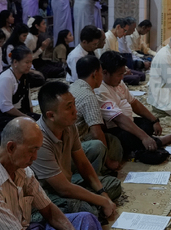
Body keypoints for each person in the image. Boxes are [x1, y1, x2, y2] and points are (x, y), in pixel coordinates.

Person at [31, 81, 120, 220]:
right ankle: (90, 210)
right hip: (46, 193)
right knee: (85, 210)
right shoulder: (39, 140)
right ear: (51, 115)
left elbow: (83, 163)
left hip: (67, 181)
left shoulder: (69, 126)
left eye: (74, 104)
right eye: (69, 107)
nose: (75, 111)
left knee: (113, 185)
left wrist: (102, 194)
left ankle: (90, 207)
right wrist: (102, 201)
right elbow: (63, 189)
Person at [96, 51, 171, 164]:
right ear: (105, 73)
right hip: (114, 129)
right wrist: (144, 137)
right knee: (128, 137)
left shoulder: (118, 82)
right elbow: (118, 119)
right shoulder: (99, 90)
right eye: (119, 74)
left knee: (147, 124)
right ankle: (157, 142)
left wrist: (154, 120)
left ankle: (145, 145)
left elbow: (134, 103)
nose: (122, 77)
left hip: (127, 122)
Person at [69, 55, 122, 171]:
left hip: (66, 143)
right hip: (71, 150)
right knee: (106, 144)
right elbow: (96, 133)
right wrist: (108, 161)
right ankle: (99, 172)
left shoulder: (73, 86)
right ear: (95, 74)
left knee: (110, 139)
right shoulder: (88, 95)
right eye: (101, 72)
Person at [0, 46, 38, 132]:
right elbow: (6, 107)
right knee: (22, 128)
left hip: (9, 112)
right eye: (27, 62)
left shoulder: (24, 76)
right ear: (15, 62)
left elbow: (27, 99)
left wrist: (30, 115)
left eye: (31, 62)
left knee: (41, 121)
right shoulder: (6, 78)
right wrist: (26, 117)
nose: (30, 65)